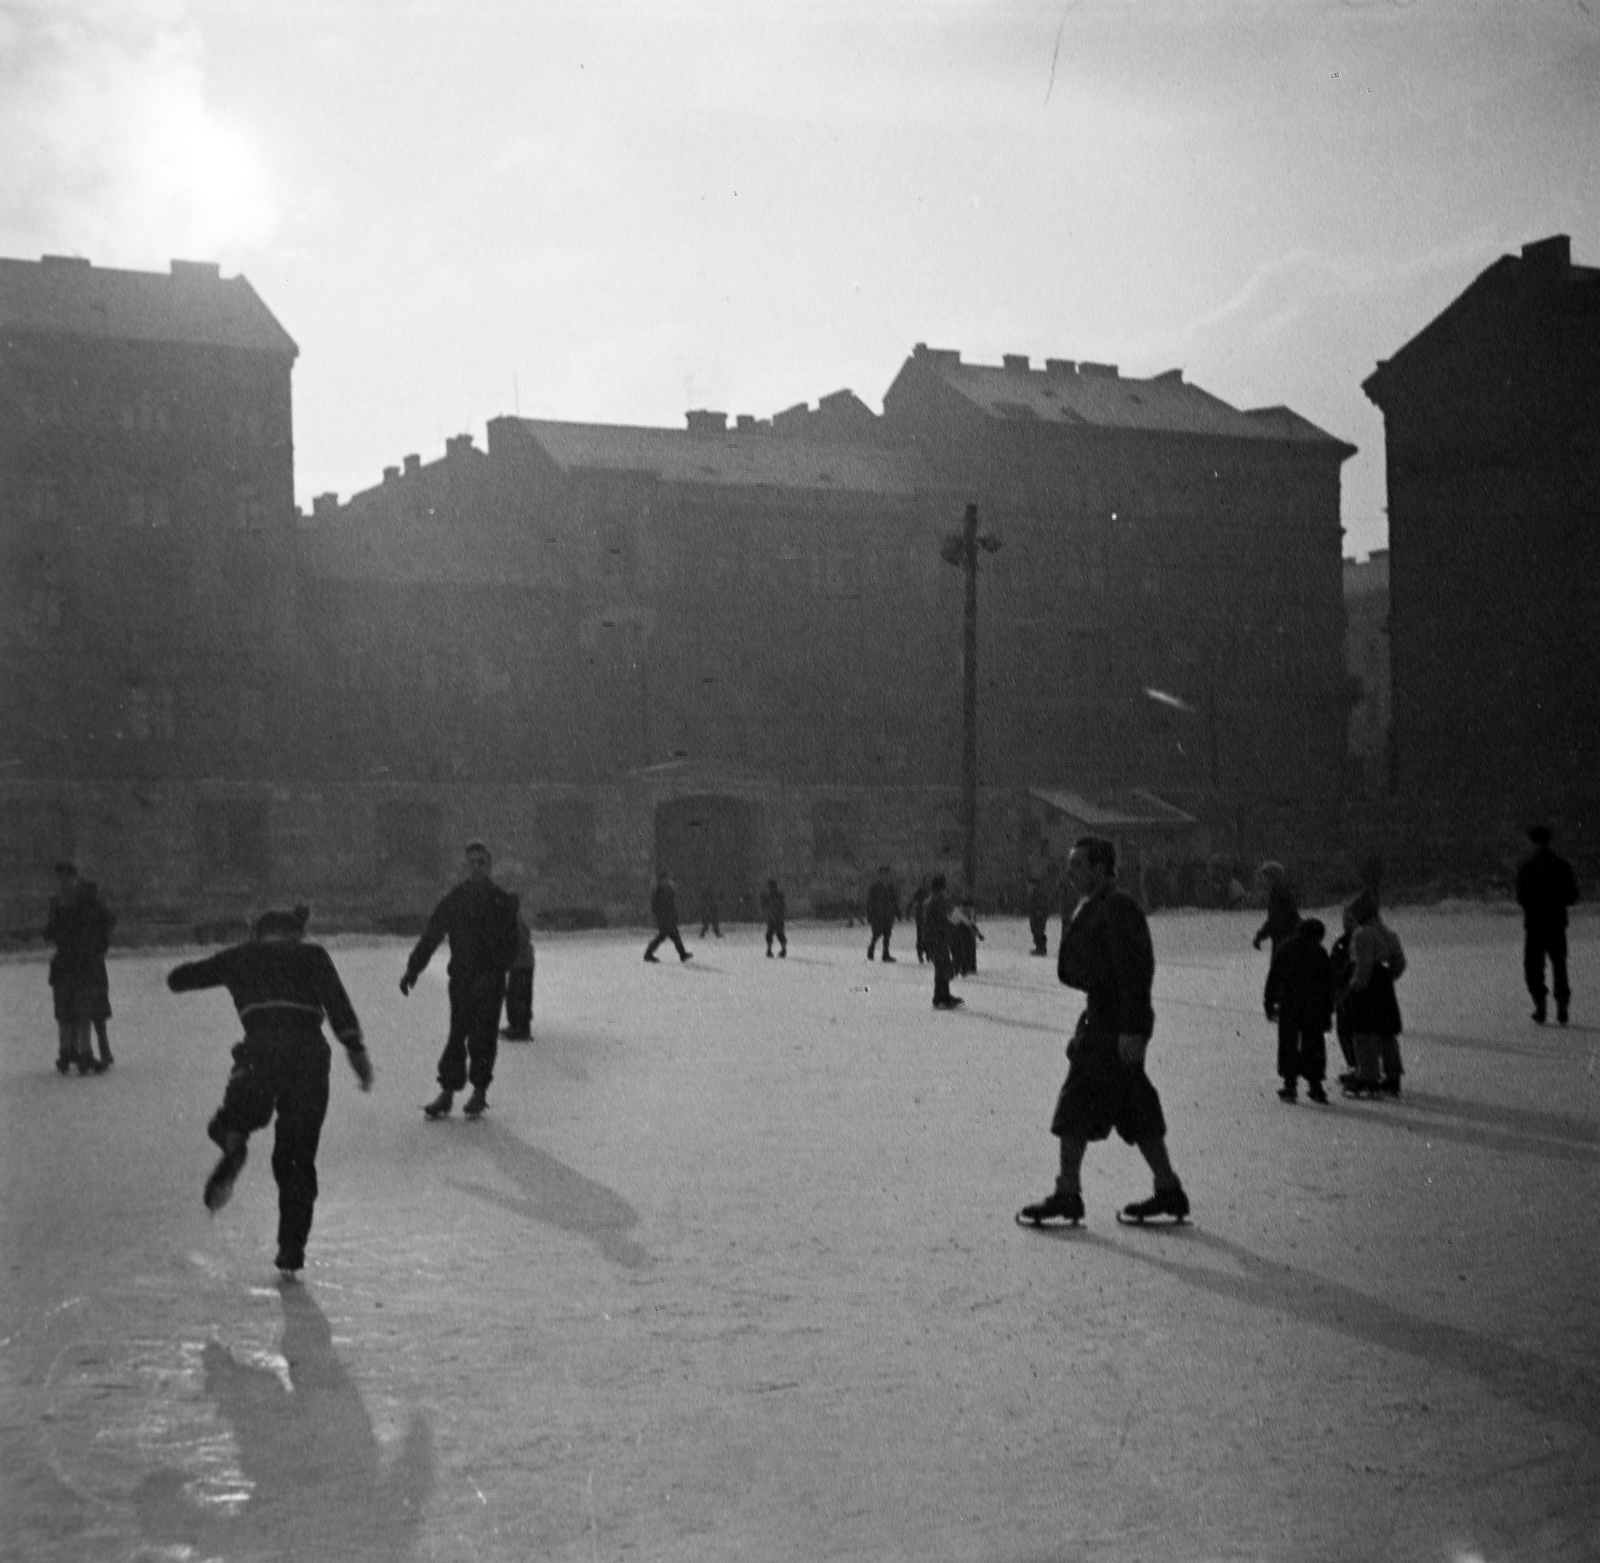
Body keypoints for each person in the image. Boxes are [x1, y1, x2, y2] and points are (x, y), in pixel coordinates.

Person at [168, 903, 373, 1275]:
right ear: (296, 933)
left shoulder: (241, 956)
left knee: (237, 1114)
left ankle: (233, 1141)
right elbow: (338, 1004)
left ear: (257, 932)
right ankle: (291, 1250)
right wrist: (356, 1050)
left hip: (259, 1052)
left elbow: (179, 979)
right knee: (296, 1157)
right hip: (309, 1056)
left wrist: (211, 970)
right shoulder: (312, 955)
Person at [1018, 836, 1189, 1227]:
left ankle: (1068, 1194)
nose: (1070, 873)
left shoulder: (1118, 908)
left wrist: (1133, 1030)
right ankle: (1168, 1189)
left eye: (1078, 865)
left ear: (1100, 868)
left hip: (1112, 1025)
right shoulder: (1095, 907)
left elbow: (1136, 972)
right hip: (1105, 1019)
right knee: (1136, 1108)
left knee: (1076, 1106)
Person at [402, 840, 521, 1120]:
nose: (477, 867)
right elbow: (433, 934)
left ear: (489, 865)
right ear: (466, 866)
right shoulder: (456, 899)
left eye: (482, 862)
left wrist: (493, 974)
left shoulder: (501, 901)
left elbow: (510, 947)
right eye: (473, 862)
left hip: (490, 982)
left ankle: (479, 1091)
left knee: (484, 1038)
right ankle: (448, 1091)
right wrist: (413, 968)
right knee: (457, 1036)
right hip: (463, 979)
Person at [1342, 890, 1406, 1097]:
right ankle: (1393, 1076)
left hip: (1366, 987)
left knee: (1363, 1033)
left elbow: (1364, 964)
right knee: (1386, 1032)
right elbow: (1400, 962)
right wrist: (1388, 978)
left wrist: (1354, 987)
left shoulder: (1362, 934)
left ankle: (1368, 1078)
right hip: (1383, 984)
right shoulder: (1388, 932)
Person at [1264, 917, 1335, 1103]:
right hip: (1314, 1006)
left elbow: (1273, 977)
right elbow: (1327, 985)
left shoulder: (1285, 948)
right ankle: (1316, 1086)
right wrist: (1327, 1013)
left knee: (1288, 1043)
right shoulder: (1319, 951)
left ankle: (1289, 1085)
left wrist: (1269, 1003)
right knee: (1314, 1045)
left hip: (1290, 1003)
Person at [1516, 825, 1579, 1025]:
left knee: (1534, 967)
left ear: (1533, 843)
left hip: (1535, 923)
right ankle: (1562, 1005)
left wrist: (1536, 904)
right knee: (1559, 966)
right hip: (1557, 923)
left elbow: (1521, 897)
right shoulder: (1562, 866)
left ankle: (1540, 1006)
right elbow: (1572, 896)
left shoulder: (1527, 868)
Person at [44, 861, 99, 1075]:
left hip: (66, 963)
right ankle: (81, 1053)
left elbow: (50, 932)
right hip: (80, 962)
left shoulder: (59, 902)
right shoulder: (82, 900)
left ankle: (67, 1053)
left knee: (67, 1012)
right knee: (79, 1012)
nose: (63, 882)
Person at [500, 901, 535, 1041]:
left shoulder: (515, 921)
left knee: (518, 996)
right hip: (522, 963)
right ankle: (517, 1025)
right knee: (517, 996)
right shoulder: (515, 919)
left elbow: (518, 941)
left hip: (520, 964)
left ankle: (520, 1029)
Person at [925, 874, 960, 1009]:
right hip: (937, 938)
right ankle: (941, 998)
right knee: (943, 967)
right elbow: (941, 920)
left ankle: (942, 996)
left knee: (942, 967)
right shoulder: (938, 900)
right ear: (942, 887)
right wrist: (952, 926)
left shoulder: (931, 900)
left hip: (933, 937)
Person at [1251, 863, 1300, 953]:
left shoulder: (1280, 894)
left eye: (1264, 877)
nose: (1261, 880)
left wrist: (1261, 936)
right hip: (1285, 939)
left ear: (1272, 878)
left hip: (1284, 940)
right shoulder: (1279, 892)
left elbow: (1276, 919)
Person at [644, 872, 692, 963]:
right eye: (666, 879)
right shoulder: (660, 890)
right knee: (663, 936)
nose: (668, 881)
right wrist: (664, 915)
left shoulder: (665, 889)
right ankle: (648, 953)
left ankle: (682, 954)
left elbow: (669, 904)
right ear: (662, 880)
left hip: (668, 917)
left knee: (674, 935)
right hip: (665, 917)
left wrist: (672, 915)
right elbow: (659, 905)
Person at [866, 866, 900, 962]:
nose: (886, 876)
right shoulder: (875, 887)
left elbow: (894, 900)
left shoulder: (890, 887)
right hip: (878, 914)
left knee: (887, 934)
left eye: (888, 874)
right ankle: (871, 947)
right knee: (877, 933)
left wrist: (897, 912)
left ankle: (885, 954)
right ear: (880, 875)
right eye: (884, 874)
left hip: (888, 914)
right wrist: (870, 914)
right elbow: (870, 901)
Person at [951, 896, 984, 977]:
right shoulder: (957, 912)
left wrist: (978, 933)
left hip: (966, 932)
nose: (970, 909)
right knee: (959, 950)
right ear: (964, 906)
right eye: (969, 907)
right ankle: (959, 967)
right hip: (956, 933)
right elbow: (966, 923)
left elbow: (972, 924)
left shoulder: (970, 912)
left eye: (971, 908)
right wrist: (977, 933)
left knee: (971, 948)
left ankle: (971, 967)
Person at [1026, 872, 1054, 956]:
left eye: (1029, 884)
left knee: (1038, 930)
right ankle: (1039, 947)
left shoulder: (1038, 891)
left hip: (1039, 913)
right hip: (1036, 913)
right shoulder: (1035, 891)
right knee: (1036, 930)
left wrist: (1039, 911)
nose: (1028, 886)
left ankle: (1041, 948)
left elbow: (1042, 902)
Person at [761, 877, 788, 958]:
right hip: (778, 917)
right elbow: (783, 906)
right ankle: (782, 951)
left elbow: (765, 906)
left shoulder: (770, 896)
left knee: (770, 934)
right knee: (779, 934)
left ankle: (771, 951)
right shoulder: (779, 895)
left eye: (769, 886)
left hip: (774, 918)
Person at [907, 878, 931, 964]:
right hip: (921, 916)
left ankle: (927, 954)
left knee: (927, 935)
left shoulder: (930, 892)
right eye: (925, 883)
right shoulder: (921, 892)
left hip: (927, 917)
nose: (926, 885)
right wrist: (909, 911)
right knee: (921, 936)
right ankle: (921, 954)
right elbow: (913, 901)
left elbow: (913, 901)